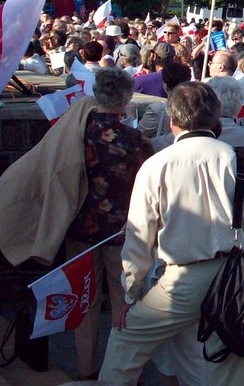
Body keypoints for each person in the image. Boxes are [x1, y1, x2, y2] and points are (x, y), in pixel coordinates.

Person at [98, 82, 244, 386]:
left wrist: (131, 293)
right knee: (227, 362)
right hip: (235, 276)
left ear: (173, 121)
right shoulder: (242, 160)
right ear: (215, 119)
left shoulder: (156, 166)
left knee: (125, 345)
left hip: (180, 281)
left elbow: (139, 238)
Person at [60, 68, 154, 380]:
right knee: (124, 305)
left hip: (79, 228)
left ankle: (86, 368)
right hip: (122, 231)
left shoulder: (73, 134)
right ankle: (123, 372)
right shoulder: (134, 140)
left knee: (83, 303)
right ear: (126, 99)